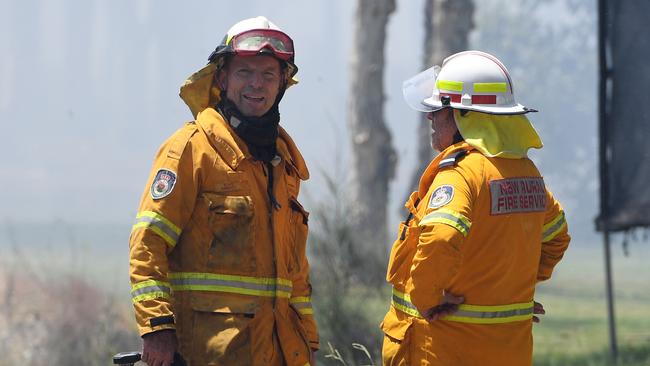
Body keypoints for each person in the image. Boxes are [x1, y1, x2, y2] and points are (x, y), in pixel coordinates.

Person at [128, 16, 318, 366]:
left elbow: (296, 276)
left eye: (268, 74)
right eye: (245, 73)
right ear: (222, 78)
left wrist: (307, 341)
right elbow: (148, 243)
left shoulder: (282, 165)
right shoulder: (190, 150)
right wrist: (157, 329)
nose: (256, 85)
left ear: (281, 85)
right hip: (207, 354)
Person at [381, 50, 570, 366]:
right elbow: (556, 238)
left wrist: (427, 300)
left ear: (464, 117)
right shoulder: (528, 176)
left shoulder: (460, 175)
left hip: (445, 349)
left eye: (440, 109)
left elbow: (440, 238)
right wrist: (511, 287)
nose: (430, 117)